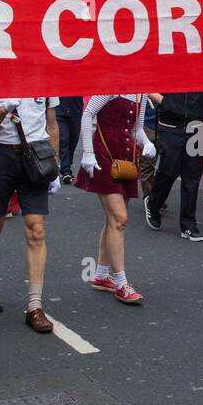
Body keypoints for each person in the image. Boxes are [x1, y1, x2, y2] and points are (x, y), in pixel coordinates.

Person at [0, 97, 61, 332]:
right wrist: (4, 109)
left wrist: (56, 163)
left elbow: (51, 124)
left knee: (37, 229)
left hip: (36, 154)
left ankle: (35, 305)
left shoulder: (46, 79)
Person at [77, 94, 156, 304]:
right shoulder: (110, 85)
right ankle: (121, 283)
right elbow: (87, 115)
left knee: (113, 220)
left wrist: (146, 142)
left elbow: (136, 130)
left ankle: (102, 276)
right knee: (119, 219)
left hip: (126, 158)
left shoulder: (141, 91)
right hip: (103, 156)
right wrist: (87, 152)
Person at [145, 91, 203, 241]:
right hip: (170, 125)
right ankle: (153, 204)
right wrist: (164, 101)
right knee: (168, 172)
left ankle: (188, 225)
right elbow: (147, 84)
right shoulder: (165, 67)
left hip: (197, 126)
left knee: (192, 176)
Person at [56, 95, 85, 185]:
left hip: (75, 110)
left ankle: (67, 165)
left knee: (73, 141)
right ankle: (66, 170)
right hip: (60, 111)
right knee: (64, 140)